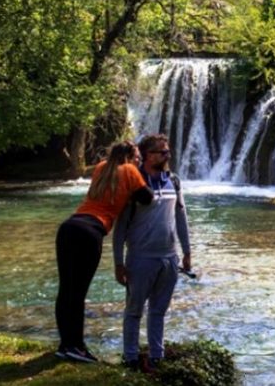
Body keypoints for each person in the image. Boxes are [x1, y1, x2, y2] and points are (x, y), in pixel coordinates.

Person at [55, 141, 153, 363]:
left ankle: (65, 344)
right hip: (91, 232)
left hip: (70, 226)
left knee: (66, 291)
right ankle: (76, 347)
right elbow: (147, 198)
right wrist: (139, 173)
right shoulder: (130, 170)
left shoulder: (101, 167)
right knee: (78, 294)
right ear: (130, 157)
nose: (139, 161)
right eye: (138, 157)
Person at [112, 133, 191, 371]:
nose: (167, 155)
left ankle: (157, 357)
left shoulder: (173, 181)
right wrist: (118, 262)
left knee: (158, 311)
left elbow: (181, 217)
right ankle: (131, 358)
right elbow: (120, 227)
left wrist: (187, 252)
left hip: (169, 258)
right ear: (146, 155)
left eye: (168, 151)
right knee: (134, 311)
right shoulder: (135, 183)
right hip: (140, 258)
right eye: (161, 152)